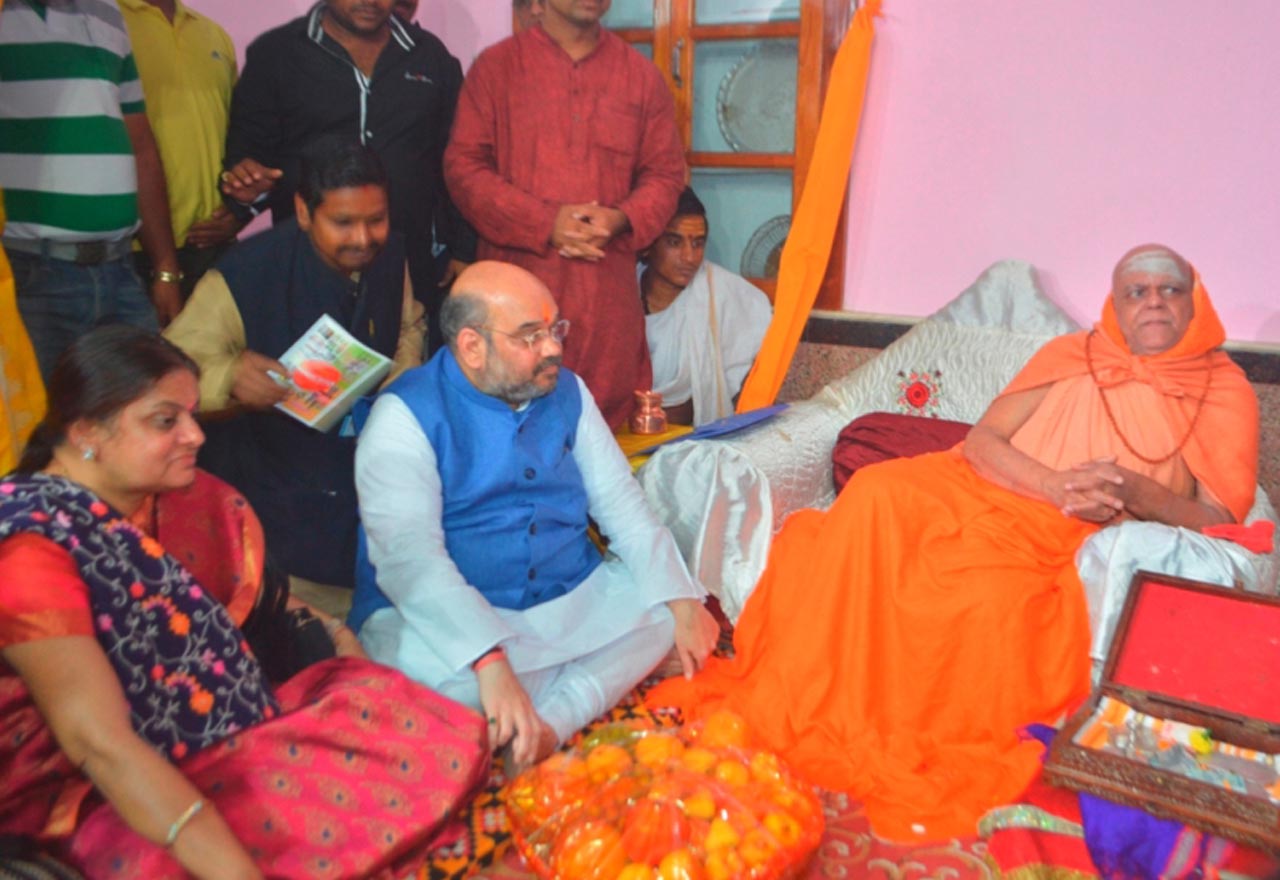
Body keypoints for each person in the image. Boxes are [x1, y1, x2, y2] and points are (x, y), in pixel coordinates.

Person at [649, 244, 1259, 842]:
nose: (1153, 301)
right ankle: (827, 695)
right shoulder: (1071, 354)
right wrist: (1050, 482)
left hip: (1076, 527)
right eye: (1137, 290)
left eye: (1169, 289)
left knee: (985, 593)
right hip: (997, 483)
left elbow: (1217, 517)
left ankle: (907, 725)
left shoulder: (1223, 389)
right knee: (876, 495)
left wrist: (1135, 492)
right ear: (1115, 305)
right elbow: (985, 441)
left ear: (1193, 302)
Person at [0, 325, 488, 879]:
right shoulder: (29, 548)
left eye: (190, 413)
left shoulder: (168, 502)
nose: (194, 435)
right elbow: (98, 744)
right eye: (166, 421)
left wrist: (330, 630)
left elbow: (241, 614)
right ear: (87, 430)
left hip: (213, 730)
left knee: (391, 705)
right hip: (87, 792)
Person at [350, 261, 719, 770]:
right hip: (456, 611)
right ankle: (541, 692)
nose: (552, 348)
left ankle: (546, 726)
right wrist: (489, 659)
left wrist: (682, 605)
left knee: (661, 613)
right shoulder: (404, 416)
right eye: (530, 336)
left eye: (554, 329)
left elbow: (622, 508)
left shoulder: (568, 392)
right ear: (471, 346)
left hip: (563, 596)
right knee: (446, 687)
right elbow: (410, 561)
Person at [165, 141, 424, 588]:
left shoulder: (391, 254)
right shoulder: (244, 274)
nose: (363, 239)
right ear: (303, 212)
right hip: (275, 500)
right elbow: (161, 378)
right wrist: (228, 377)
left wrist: (397, 386)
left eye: (376, 220)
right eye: (342, 223)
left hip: (367, 484)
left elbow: (407, 327)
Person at [444, 0, 686, 429]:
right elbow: (463, 170)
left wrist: (621, 218)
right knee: (508, 426)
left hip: (605, 297)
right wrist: (545, 222)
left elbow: (666, 174)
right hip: (516, 287)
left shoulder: (640, 76)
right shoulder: (496, 69)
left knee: (601, 434)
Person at [220, 0, 471, 351]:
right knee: (311, 390)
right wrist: (246, 184)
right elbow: (248, 154)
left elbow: (457, 158)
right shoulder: (276, 54)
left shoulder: (430, 56)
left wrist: (463, 247)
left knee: (403, 371)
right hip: (310, 267)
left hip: (408, 265)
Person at [0, 0, 183, 381]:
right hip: (31, 272)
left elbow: (141, 145)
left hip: (120, 270)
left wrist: (165, 268)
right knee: (44, 430)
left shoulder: (108, 12)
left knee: (137, 414)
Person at [120, 0, 240, 301]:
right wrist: (164, 268)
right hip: (133, 249)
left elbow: (238, 136)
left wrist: (239, 213)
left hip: (214, 243)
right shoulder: (109, 24)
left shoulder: (213, 34)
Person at [640, 187, 773, 426]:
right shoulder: (621, 292)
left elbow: (759, 321)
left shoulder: (720, 292)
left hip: (691, 440)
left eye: (698, 243)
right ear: (649, 243)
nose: (690, 257)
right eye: (674, 242)